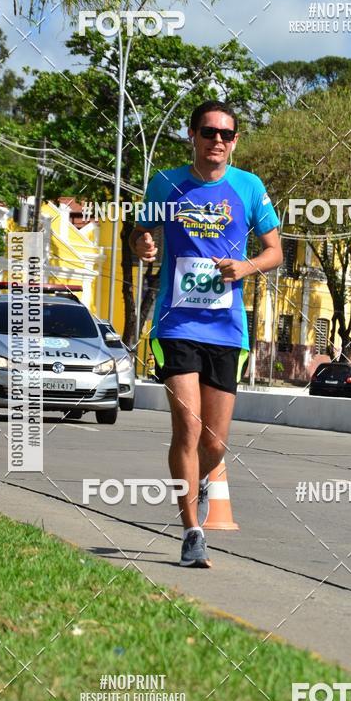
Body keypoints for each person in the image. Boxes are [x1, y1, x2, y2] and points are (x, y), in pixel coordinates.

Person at [129, 100, 283, 567]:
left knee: (214, 443)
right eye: (209, 132)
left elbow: (275, 251)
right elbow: (139, 234)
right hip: (176, 324)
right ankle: (191, 531)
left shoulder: (249, 187)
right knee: (188, 426)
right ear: (192, 135)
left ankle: (197, 480)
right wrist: (142, 243)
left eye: (226, 134)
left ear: (235, 141)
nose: (218, 140)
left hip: (226, 329)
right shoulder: (166, 183)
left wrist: (246, 266)